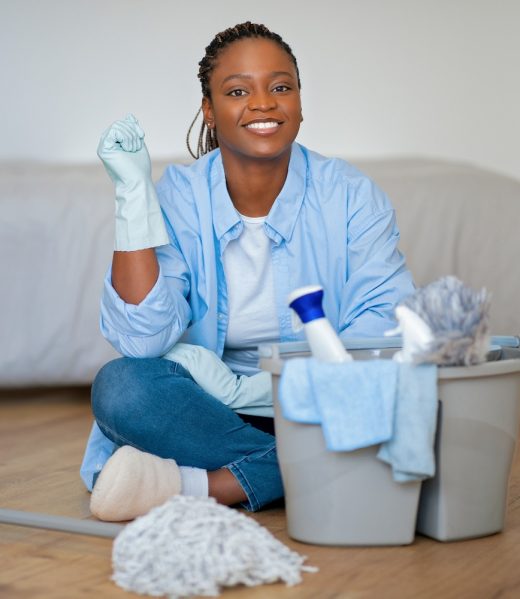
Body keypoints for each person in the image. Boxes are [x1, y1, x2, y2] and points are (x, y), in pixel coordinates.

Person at [81, 21, 415, 521]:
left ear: (300, 102)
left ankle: (193, 486)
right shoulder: (178, 197)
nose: (263, 103)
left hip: (324, 402)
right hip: (208, 414)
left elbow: (381, 327)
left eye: (281, 87)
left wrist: (294, 387)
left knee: (416, 405)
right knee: (123, 387)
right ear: (210, 111)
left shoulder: (349, 194)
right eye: (238, 91)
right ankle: (302, 470)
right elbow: (141, 342)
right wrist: (134, 198)